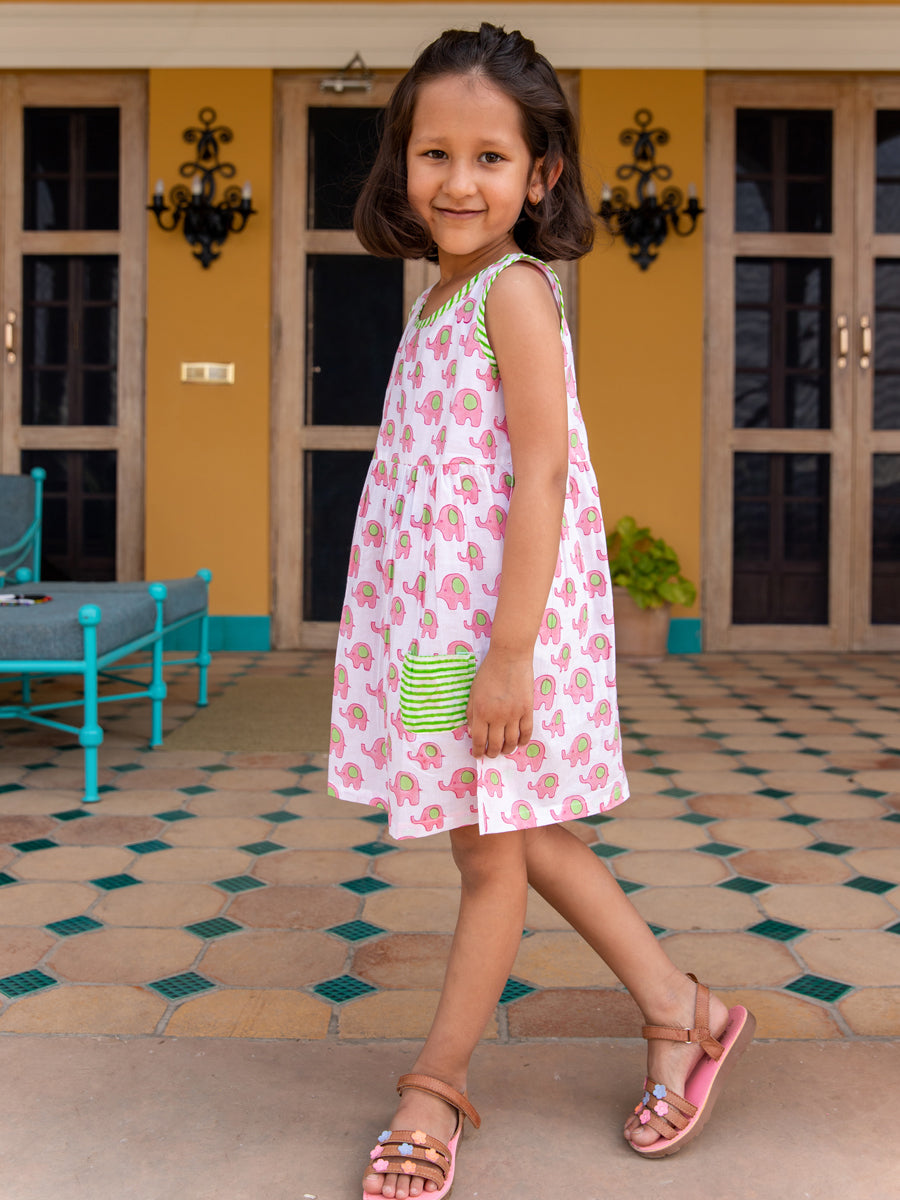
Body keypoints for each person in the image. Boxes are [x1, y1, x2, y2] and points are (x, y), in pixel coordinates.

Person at [327, 23, 755, 1199]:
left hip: (496, 634)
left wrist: (510, 654)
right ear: (402, 162)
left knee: (490, 855)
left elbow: (545, 475)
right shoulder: (438, 297)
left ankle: (436, 1086)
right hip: (440, 633)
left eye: (491, 158)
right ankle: (685, 1012)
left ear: (542, 171)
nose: (459, 182)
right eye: (435, 154)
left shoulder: (512, 293)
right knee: (517, 835)